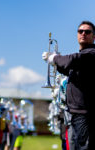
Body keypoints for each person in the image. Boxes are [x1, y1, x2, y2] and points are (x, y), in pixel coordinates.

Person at [42, 21, 95, 150]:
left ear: (94, 36)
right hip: (76, 113)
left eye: (87, 32)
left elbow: (72, 60)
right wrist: (56, 63)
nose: (83, 34)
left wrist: (54, 58)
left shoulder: (92, 53)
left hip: (85, 114)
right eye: (80, 31)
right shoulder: (82, 59)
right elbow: (69, 69)